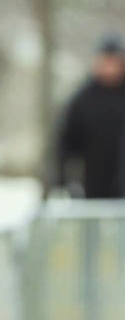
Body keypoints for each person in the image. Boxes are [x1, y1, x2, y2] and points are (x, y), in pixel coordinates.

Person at [55, 34, 125, 199]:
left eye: (114, 61)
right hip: (92, 189)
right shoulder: (82, 100)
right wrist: (65, 181)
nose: (110, 67)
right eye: (106, 61)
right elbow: (65, 143)